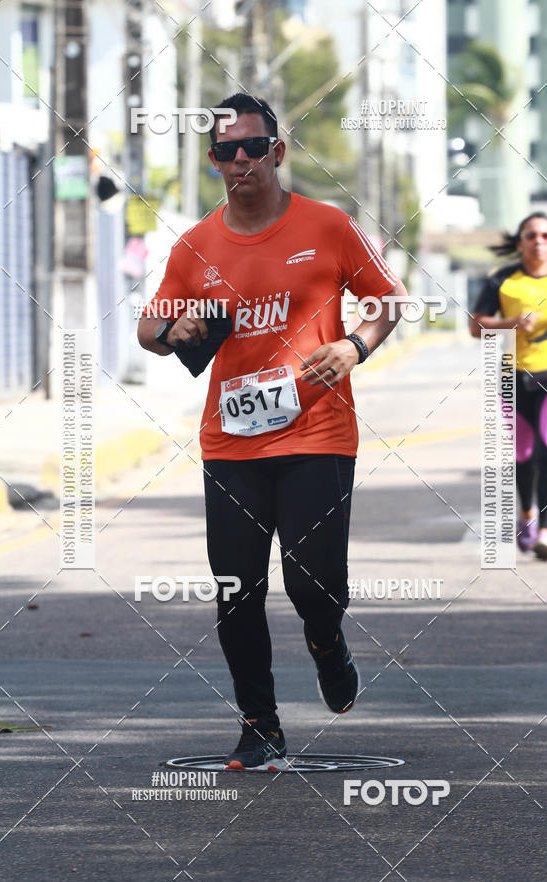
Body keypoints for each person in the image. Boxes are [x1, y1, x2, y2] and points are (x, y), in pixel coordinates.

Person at [138, 93, 407, 769]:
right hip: (232, 443)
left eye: (253, 147)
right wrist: (176, 331)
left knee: (313, 584)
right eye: (226, 152)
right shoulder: (196, 244)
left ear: (277, 152)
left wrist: (356, 345)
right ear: (213, 162)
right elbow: (149, 328)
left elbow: (388, 299)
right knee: (237, 588)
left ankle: (326, 641)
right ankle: (260, 724)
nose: (240, 161)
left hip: (318, 431)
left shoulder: (327, 225)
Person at [470, 212, 547, 560]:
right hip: (513, 379)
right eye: (531, 235)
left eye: (545, 235)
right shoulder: (503, 282)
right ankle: (526, 515)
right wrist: (510, 323)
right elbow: (476, 327)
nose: (539, 241)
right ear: (521, 242)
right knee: (523, 456)